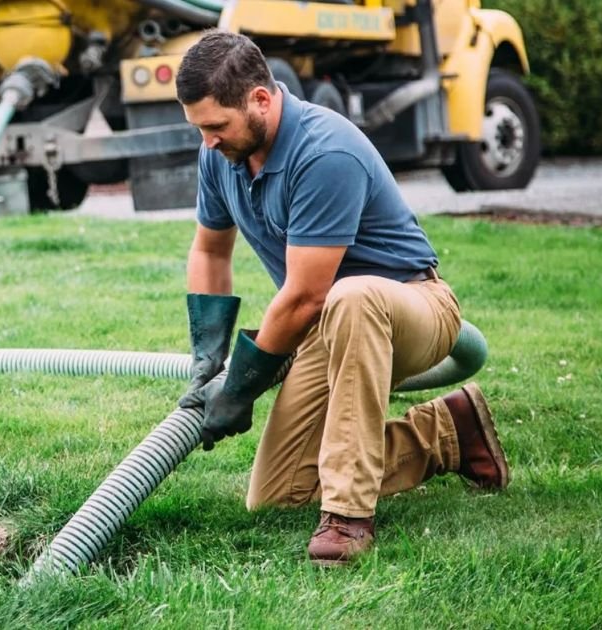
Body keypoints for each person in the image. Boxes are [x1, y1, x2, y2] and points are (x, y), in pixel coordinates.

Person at [173, 31, 510, 566]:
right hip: (328, 326)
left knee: (349, 296)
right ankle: (447, 433)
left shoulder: (324, 150)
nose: (208, 141)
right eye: (200, 128)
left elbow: (307, 294)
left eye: (217, 126)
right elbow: (210, 251)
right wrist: (209, 354)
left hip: (410, 306)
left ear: (261, 99)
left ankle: (349, 516)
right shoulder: (220, 153)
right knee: (277, 495)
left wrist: (242, 386)